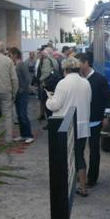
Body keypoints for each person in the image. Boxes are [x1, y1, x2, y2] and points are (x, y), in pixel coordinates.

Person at [46, 57, 91, 196]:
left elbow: (55, 105)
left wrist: (49, 99)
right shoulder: (86, 82)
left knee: (64, 157)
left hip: (66, 125)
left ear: (65, 69)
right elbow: (88, 100)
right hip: (82, 124)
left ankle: (64, 187)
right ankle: (83, 186)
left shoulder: (63, 83)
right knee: (79, 155)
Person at [76, 51, 110, 187]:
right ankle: (80, 175)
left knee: (94, 150)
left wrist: (106, 116)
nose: (77, 66)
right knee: (78, 150)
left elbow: (107, 98)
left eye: (79, 63)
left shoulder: (100, 79)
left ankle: (92, 178)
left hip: (95, 120)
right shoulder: (78, 79)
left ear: (86, 63)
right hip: (80, 120)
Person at [9, 47, 34, 144]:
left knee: (23, 114)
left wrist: (22, 88)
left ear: (15, 55)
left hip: (23, 93)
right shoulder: (15, 65)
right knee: (19, 114)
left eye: (10, 54)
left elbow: (28, 79)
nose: (9, 56)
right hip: (17, 93)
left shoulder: (21, 64)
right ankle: (23, 134)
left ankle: (29, 135)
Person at [35, 47, 60, 120]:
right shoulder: (54, 60)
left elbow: (45, 74)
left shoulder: (46, 61)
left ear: (48, 53)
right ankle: (53, 119)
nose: (43, 54)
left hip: (47, 85)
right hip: (53, 84)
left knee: (47, 103)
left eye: (44, 53)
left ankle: (50, 120)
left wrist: (40, 80)